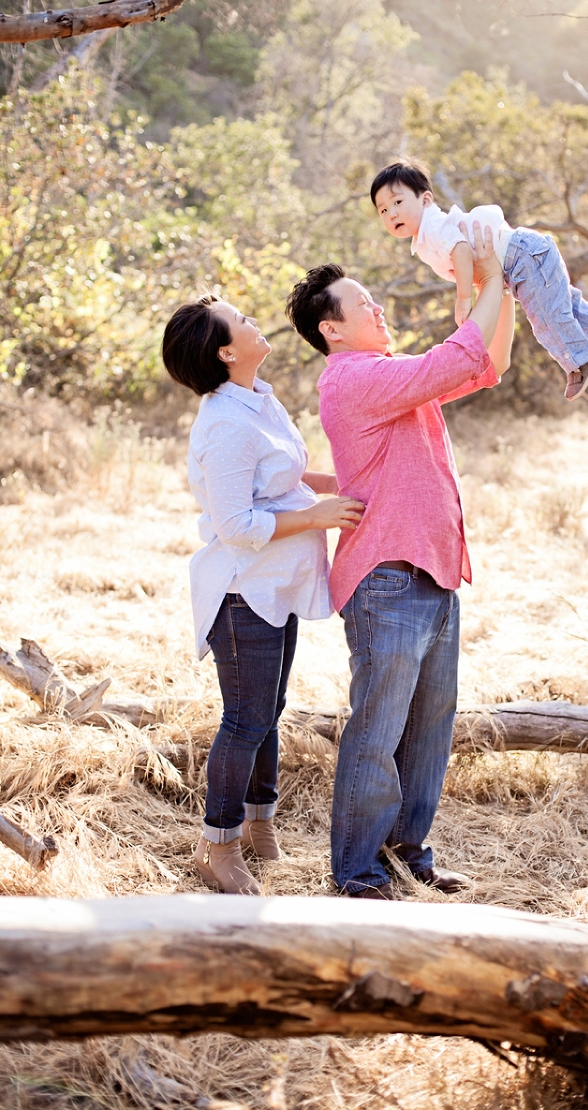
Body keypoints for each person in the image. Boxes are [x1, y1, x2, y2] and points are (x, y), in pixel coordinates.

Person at [285, 224, 513, 899]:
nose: (379, 309)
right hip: (386, 577)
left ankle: (408, 852)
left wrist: (500, 293)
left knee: (428, 727)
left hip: (432, 570)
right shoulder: (355, 380)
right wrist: (491, 275)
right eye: (364, 305)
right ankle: (356, 872)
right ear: (332, 330)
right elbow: (456, 355)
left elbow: (484, 363)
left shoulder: (387, 377)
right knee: (377, 729)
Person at [162, 295, 364, 895]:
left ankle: (258, 825)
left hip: (276, 585)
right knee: (245, 719)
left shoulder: (257, 400)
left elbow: (286, 476)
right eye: (242, 321)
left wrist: (354, 485)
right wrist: (319, 517)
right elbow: (236, 525)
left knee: (268, 713)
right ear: (227, 352)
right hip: (241, 591)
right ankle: (216, 845)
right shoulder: (224, 424)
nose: (254, 323)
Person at [371, 157, 588, 403]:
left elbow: (460, 249)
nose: (391, 214)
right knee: (564, 308)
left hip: (521, 256)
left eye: (397, 202)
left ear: (425, 199)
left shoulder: (433, 226)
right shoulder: (425, 236)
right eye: (383, 209)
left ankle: (579, 359)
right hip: (523, 257)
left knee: (545, 318)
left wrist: (463, 299)